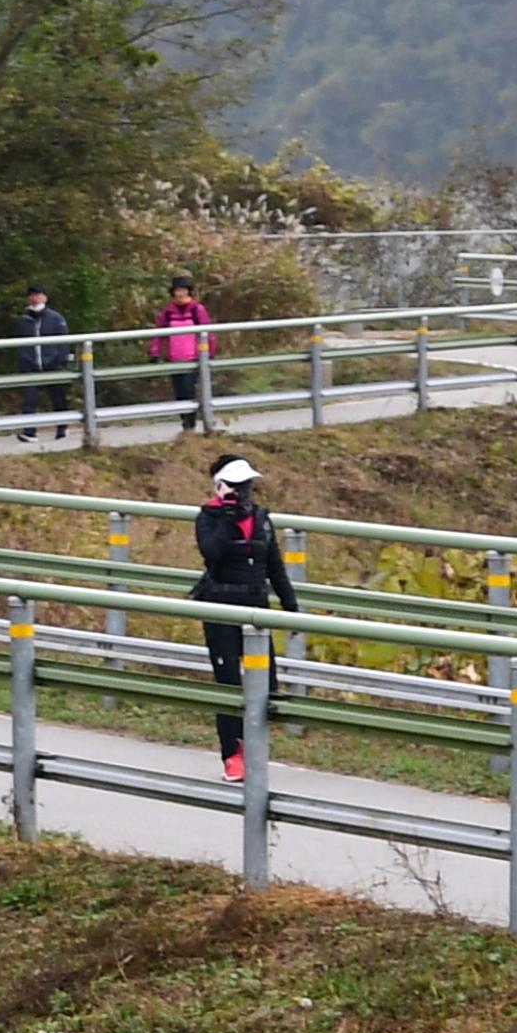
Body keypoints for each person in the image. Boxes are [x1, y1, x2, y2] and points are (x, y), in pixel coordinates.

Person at [192, 453, 298, 780]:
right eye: (237, 486)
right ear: (222, 487)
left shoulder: (263, 519)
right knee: (228, 684)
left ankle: (253, 746)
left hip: (256, 609)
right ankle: (232, 754)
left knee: (265, 682)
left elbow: (275, 565)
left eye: (248, 485)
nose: (245, 493)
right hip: (221, 605)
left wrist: (291, 607)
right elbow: (211, 553)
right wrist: (227, 517)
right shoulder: (208, 518)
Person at [151, 275, 215, 432]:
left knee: (188, 389)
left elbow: (207, 332)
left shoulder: (196, 309)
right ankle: (186, 424)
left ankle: (190, 423)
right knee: (179, 391)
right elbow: (159, 333)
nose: (180, 293)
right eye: (177, 290)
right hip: (175, 358)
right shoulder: (168, 312)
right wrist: (155, 352)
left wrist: (210, 351)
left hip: (193, 357)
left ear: (188, 292)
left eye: (183, 290)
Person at [15, 285, 72, 441]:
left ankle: (62, 427)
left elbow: (64, 342)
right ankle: (29, 432)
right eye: (32, 295)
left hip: (52, 365)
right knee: (29, 399)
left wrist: (60, 360)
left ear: (45, 298)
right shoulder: (24, 320)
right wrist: (24, 360)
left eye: (38, 295)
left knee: (57, 397)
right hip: (31, 365)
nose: (35, 298)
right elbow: (19, 343)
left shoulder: (56, 318)